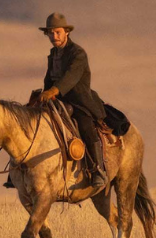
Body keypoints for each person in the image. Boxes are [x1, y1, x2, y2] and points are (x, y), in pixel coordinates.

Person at [37, 12, 107, 188]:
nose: (54, 36)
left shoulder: (78, 53)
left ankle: (97, 170)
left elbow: (71, 77)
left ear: (66, 32)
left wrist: (53, 90)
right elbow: (49, 79)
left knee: (85, 126)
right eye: (50, 33)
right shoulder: (53, 54)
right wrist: (41, 95)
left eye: (58, 32)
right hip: (57, 101)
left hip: (79, 101)